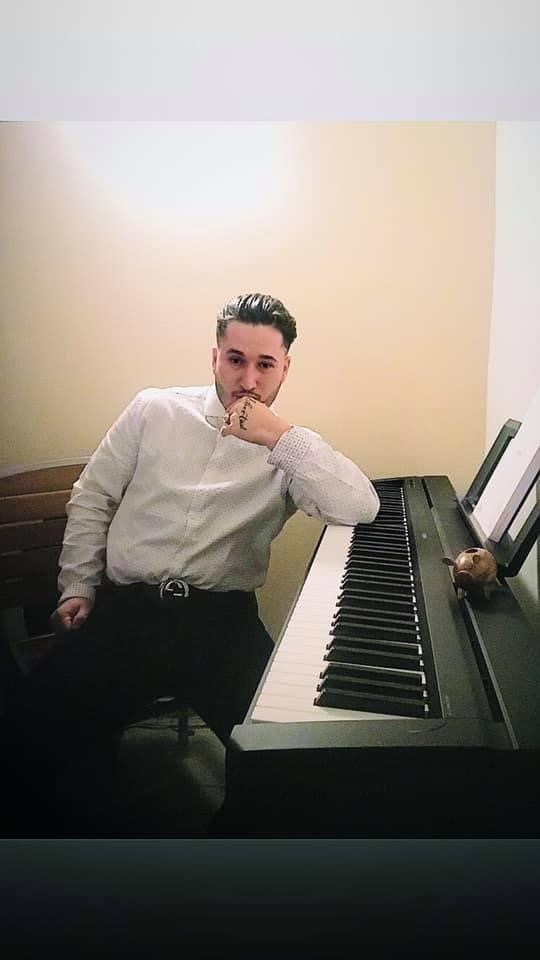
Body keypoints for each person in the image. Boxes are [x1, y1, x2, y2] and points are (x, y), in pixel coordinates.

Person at [1, 292, 380, 835]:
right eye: (236, 359)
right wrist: (77, 584)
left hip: (221, 624)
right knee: (25, 740)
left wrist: (279, 436)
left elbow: (360, 506)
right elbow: (93, 497)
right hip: (125, 615)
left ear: (285, 369)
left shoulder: (293, 452)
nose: (248, 380)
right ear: (215, 356)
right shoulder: (154, 410)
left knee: (292, 764)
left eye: (265, 364)